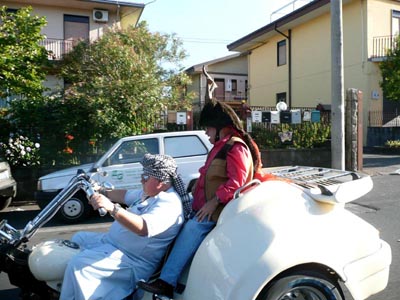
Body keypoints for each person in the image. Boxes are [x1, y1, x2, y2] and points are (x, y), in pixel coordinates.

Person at [138, 99, 262, 299]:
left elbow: (237, 183)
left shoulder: (235, 148)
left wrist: (213, 202)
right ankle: (157, 273)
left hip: (220, 212)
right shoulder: (220, 147)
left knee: (192, 228)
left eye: (208, 128)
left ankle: (166, 283)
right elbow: (210, 174)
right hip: (205, 208)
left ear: (221, 127)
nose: (206, 133)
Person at [60, 153, 190, 300]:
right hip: (112, 245)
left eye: (146, 177)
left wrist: (112, 208)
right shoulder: (150, 194)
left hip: (131, 260)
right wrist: (101, 191)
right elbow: (124, 195)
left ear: (161, 181)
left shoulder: (169, 204)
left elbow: (143, 228)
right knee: (78, 238)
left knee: (80, 266)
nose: (141, 179)